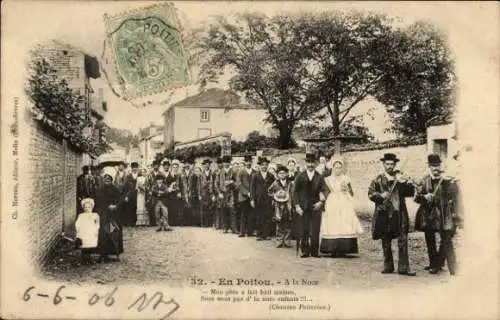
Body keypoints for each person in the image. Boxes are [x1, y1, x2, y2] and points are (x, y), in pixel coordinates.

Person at [368, 153, 416, 276]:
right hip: (385, 213)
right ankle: (388, 266)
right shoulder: (378, 179)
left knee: (403, 239)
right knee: (386, 239)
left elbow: (409, 193)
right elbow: (370, 194)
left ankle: (404, 268)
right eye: (387, 164)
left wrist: (408, 184)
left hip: (399, 212)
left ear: (395, 165)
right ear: (383, 164)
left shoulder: (399, 178)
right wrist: (380, 195)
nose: (389, 166)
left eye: (392, 164)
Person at [414, 154, 462, 275]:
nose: (436, 168)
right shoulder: (424, 180)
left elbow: (454, 195)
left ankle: (453, 269)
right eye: (433, 166)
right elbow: (416, 197)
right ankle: (434, 264)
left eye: (437, 165)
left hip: (444, 214)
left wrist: (451, 183)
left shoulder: (447, 180)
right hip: (428, 214)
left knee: (447, 240)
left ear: (440, 166)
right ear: (429, 166)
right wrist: (424, 197)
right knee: (430, 240)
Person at [320, 159, 363, 257]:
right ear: (332, 167)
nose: (338, 170)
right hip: (332, 202)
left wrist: (346, 190)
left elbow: (351, 193)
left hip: (344, 202)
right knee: (333, 224)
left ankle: (344, 248)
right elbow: (324, 191)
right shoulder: (328, 179)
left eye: (340, 167)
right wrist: (325, 197)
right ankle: (332, 249)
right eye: (336, 167)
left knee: (344, 223)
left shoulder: (345, 178)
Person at [293, 153, 330, 258]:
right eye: (308, 162)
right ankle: (305, 251)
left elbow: (326, 190)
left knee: (315, 229)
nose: (310, 165)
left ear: (315, 163)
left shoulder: (319, 176)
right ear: (305, 163)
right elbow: (294, 192)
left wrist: (321, 202)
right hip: (303, 207)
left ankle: (314, 251)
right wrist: (297, 206)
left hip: (315, 207)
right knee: (304, 229)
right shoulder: (300, 176)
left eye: (312, 162)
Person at [94, 174, 124, 262]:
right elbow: (97, 202)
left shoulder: (115, 190)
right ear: (103, 181)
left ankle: (111, 252)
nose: (107, 182)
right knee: (101, 234)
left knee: (111, 233)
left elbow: (120, 201)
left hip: (112, 216)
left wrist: (115, 206)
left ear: (111, 181)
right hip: (102, 215)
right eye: (105, 180)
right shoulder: (99, 190)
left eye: (109, 181)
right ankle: (102, 254)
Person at [268, 165, 293, 248]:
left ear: (286, 174)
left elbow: (293, 193)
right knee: (279, 223)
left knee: (288, 223)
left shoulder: (290, 183)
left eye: (284, 173)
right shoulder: (275, 183)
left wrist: (290, 199)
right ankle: (279, 240)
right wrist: (275, 195)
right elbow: (269, 191)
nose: (282, 175)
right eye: (280, 173)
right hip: (278, 206)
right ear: (278, 175)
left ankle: (287, 241)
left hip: (287, 205)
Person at [250, 157, 275, 241]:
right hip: (258, 199)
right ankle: (259, 234)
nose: (264, 166)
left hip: (268, 199)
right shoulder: (255, 176)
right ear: (260, 166)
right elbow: (252, 188)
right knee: (259, 217)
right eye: (262, 165)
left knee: (267, 216)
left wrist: (273, 199)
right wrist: (252, 199)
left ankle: (266, 234)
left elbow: (274, 188)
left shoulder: (271, 176)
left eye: (266, 165)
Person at [75, 198, 100, 264]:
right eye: (85, 207)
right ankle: (84, 259)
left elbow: (97, 224)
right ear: (83, 208)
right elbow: (77, 224)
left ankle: (88, 258)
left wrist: (96, 230)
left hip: (91, 232)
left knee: (90, 245)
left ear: (92, 207)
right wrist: (78, 231)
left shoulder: (95, 215)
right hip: (84, 232)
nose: (87, 208)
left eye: (89, 207)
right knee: (84, 246)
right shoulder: (81, 215)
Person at [216, 155, 237, 233]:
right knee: (224, 210)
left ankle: (234, 228)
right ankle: (225, 228)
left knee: (232, 210)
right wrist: (219, 193)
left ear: (229, 163)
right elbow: (216, 184)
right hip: (222, 193)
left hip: (231, 193)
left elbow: (237, 183)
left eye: (227, 162)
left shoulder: (233, 172)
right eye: (224, 162)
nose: (226, 164)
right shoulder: (219, 172)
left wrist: (232, 182)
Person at [236, 154, 254, 237]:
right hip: (243, 197)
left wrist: (252, 194)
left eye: (249, 161)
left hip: (252, 197)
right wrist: (246, 193)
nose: (248, 163)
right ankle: (242, 232)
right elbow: (239, 184)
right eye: (246, 161)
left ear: (252, 162)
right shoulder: (241, 172)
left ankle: (250, 231)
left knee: (251, 214)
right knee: (243, 214)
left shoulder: (254, 172)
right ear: (245, 162)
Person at [164, 159, 184, 226]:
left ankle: (178, 222)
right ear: (172, 168)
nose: (175, 169)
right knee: (171, 208)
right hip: (171, 195)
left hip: (178, 195)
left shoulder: (180, 176)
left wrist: (180, 192)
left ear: (178, 168)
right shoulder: (169, 176)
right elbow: (166, 185)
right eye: (174, 167)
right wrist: (169, 189)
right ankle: (171, 223)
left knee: (178, 208)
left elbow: (182, 185)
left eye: (176, 167)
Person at [200, 159, 216, 227]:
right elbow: (199, 185)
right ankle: (204, 223)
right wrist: (199, 194)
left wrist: (213, 194)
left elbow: (214, 184)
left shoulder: (212, 173)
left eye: (208, 164)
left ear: (209, 165)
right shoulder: (201, 174)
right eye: (205, 164)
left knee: (211, 208)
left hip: (210, 192)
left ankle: (210, 223)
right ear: (204, 165)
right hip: (203, 193)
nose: (207, 166)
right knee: (204, 208)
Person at [122, 162, 139, 226]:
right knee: (129, 208)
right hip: (130, 194)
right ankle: (129, 222)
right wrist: (126, 196)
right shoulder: (128, 176)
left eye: (136, 167)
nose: (135, 169)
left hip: (137, 194)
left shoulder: (139, 175)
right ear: (131, 168)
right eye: (133, 167)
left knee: (135, 208)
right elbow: (125, 187)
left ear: (137, 168)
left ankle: (134, 222)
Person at [145, 160, 162, 226]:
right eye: (154, 165)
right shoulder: (149, 174)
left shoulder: (161, 174)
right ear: (153, 166)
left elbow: (163, 183)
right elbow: (146, 184)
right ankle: (152, 222)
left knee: (159, 207)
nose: (156, 166)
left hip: (159, 192)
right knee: (151, 206)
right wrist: (149, 190)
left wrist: (161, 191)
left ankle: (159, 222)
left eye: (157, 165)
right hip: (151, 193)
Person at [213, 157, 224, 230]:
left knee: (224, 208)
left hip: (224, 192)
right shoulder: (215, 172)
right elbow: (213, 184)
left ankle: (223, 225)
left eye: (221, 163)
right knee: (217, 208)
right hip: (217, 192)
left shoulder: (224, 171)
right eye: (219, 163)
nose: (220, 165)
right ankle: (217, 224)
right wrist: (214, 194)